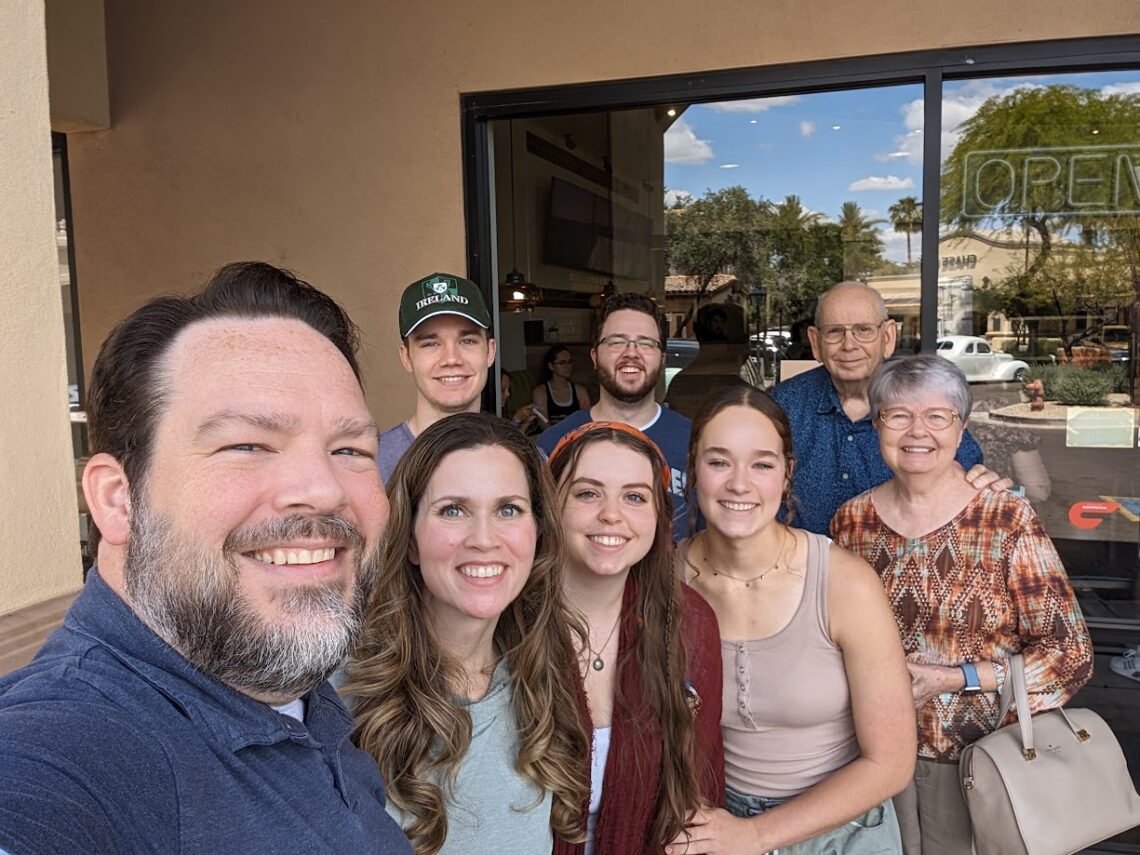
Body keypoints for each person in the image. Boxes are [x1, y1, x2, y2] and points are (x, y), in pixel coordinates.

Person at [0, 262, 411, 854]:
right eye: (247, 444)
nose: (324, 489)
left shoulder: (276, 674)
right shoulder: (68, 748)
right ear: (117, 500)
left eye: (350, 449)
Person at [830, 354, 1093, 855]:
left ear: (962, 426)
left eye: (937, 415)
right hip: (870, 754)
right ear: (876, 424)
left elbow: (1070, 656)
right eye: (898, 415)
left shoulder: (1004, 517)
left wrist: (953, 678)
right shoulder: (851, 522)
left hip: (980, 761)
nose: (917, 431)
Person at [671, 385, 916, 855]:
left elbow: (891, 763)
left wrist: (755, 835)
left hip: (842, 831)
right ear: (693, 470)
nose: (739, 484)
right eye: (719, 462)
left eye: (762, 465)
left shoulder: (844, 583)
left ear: (787, 475)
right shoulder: (666, 579)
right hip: (715, 822)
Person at [348, 413, 589, 855]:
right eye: (453, 510)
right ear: (410, 537)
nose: (484, 538)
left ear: (538, 532)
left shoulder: (543, 669)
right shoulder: (343, 691)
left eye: (508, 509)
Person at [547, 421, 725, 854]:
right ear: (551, 506)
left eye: (634, 497)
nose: (612, 514)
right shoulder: (506, 622)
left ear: (659, 516)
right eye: (587, 493)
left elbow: (697, 787)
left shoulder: (688, 624)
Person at [770, 281, 998, 535]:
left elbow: (970, 478)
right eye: (835, 332)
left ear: (888, 337)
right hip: (799, 558)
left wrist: (983, 483)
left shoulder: (928, 403)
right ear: (815, 341)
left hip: (903, 559)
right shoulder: (782, 405)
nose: (849, 345)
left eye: (864, 330)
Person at [538, 292, 692, 538]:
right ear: (595, 356)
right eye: (617, 342)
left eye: (645, 343)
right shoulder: (552, 445)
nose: (631, 353)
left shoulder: (695, 443)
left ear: (662, 358)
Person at [378, 272, 496, 484]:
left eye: (467, 341)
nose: (451, 359)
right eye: (430, 344)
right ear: (406, 358)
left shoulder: (526, 459)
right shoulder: (373, 467)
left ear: (490, 352)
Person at [532, 344, 591, 425]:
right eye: (562, 363)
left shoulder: (580, 391)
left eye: (570, 362)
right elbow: (543, 423)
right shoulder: (540, 391)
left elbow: (586, 419)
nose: (567, 366)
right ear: (551, 366)